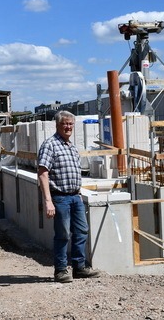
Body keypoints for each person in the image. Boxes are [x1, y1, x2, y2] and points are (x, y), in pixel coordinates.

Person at [37, 110, 100, 283]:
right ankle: (61, 270)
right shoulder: (50, 145)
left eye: (71, 124)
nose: (68, 126)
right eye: (65, 123)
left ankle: (79, 267)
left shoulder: (71, 147)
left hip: (75, 197)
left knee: (81, 231)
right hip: (60, 198)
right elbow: (43, 173)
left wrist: (78, 194)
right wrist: (48, 201)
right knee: (63, 234)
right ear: (57, 125)